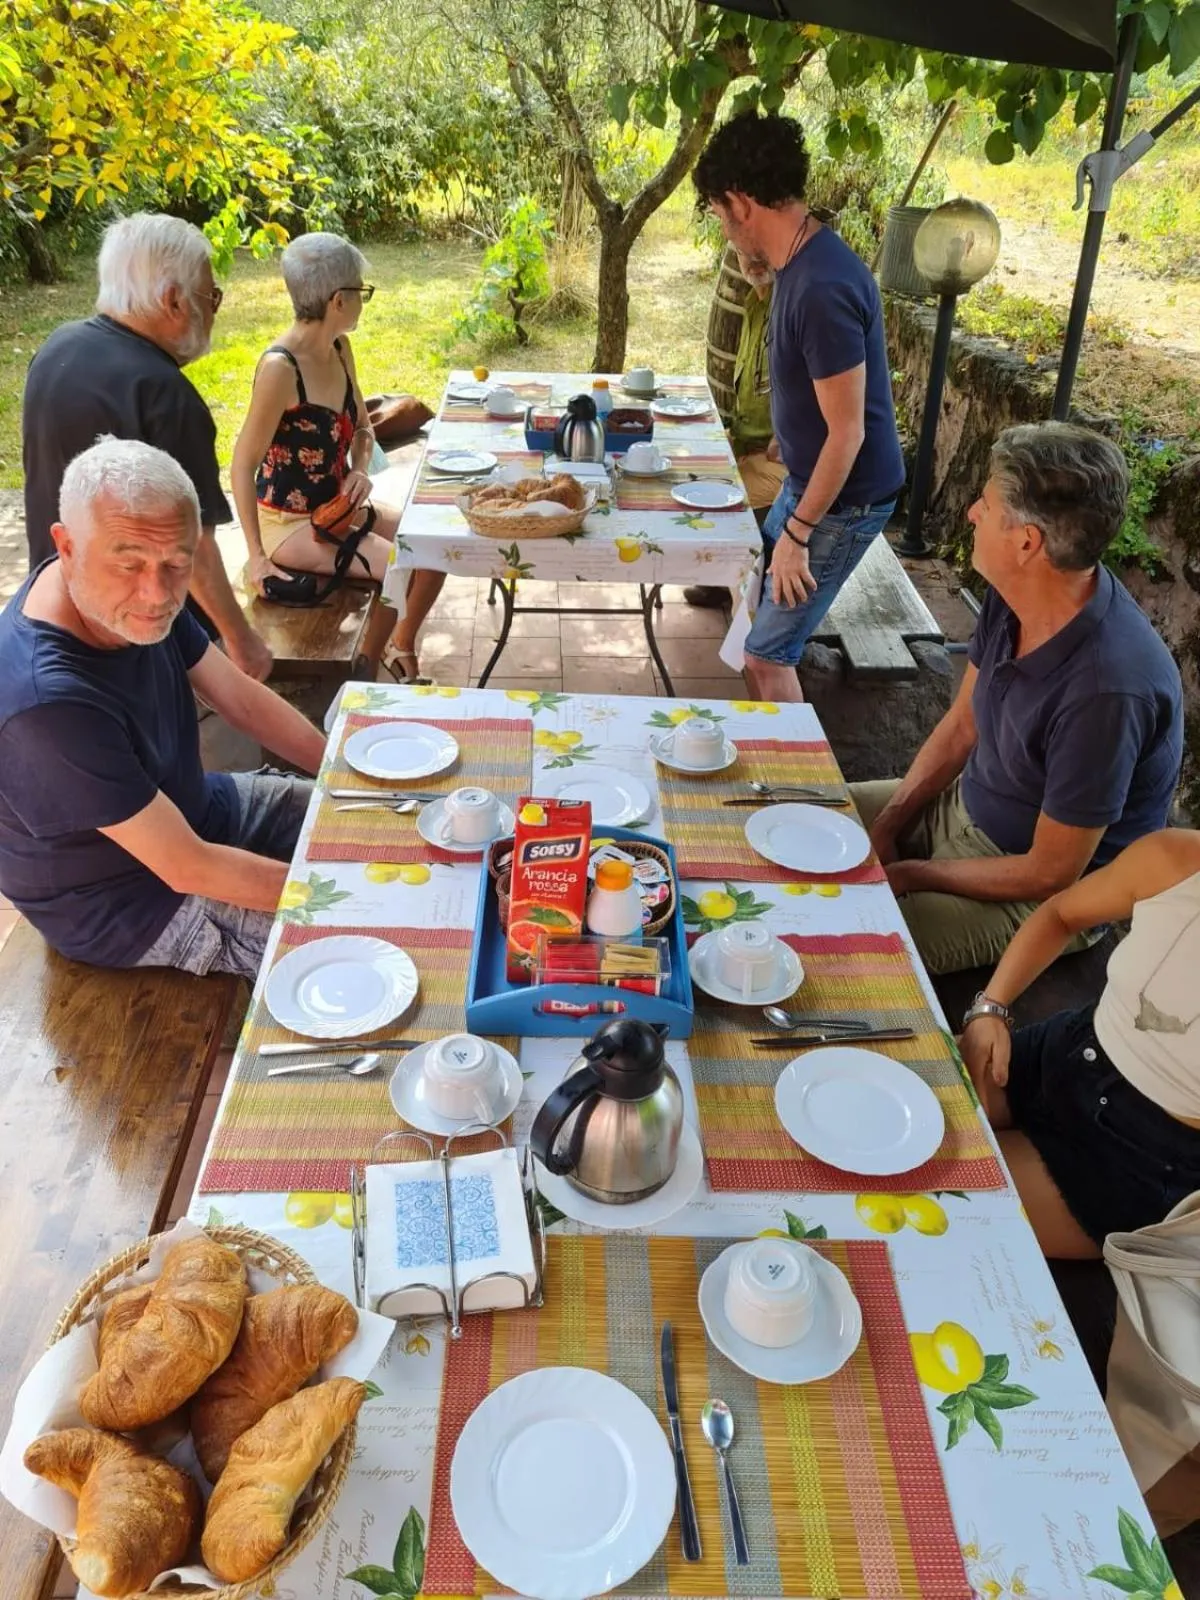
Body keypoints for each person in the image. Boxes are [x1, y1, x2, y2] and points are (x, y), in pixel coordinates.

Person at [852, 422, 1183, 977]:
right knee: (807, 817)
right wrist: (889, 824)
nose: (971, 514)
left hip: (1041, 895)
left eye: (984, 505)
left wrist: (909, 875)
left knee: (852, 947)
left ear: (1027, 542)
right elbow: (962, 728)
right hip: (964, 808)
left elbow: (1049, 873)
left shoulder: (1106, 690)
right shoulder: (1016, 594)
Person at [0, 438, 326, 978]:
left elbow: (241, 700)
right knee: (359, 938)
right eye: (128, 564)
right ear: (66, 545)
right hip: (132, 902)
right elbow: (188, 867)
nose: (156, 594)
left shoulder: (127, 596)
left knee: (366, 818)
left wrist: (343, 776)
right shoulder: (45, 704)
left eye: (177, 563)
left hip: (194, 809)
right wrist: (350, 897)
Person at [692, 111, 905, 701]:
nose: (723, 229)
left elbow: (848, 432)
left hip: (845, 502)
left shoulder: (820, 288)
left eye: (718, 214)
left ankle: (789, 761)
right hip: (812, 480)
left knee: (766, 655)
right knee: (750, 628)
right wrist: (791, 432)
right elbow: (823, 390)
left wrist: (798, 533)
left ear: (740, 202)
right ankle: (770, 745)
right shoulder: (800, 262)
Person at [22, 213, 272, 682]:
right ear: (173, 299)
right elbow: (195, 547)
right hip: (141, 629)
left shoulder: (57, 349)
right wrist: (241, 640)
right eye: (211, 297)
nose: (214, 311)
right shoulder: (166, 395)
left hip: (56, 605)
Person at [960, 828, 1200, 1259]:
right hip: (1064, 1055)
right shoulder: (1177, 859)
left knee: (933, 1195)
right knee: (878, 1114)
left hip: (1139, 1159)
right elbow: (1061, 914)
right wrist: (989, 1009)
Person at [231, 232, 444, 682]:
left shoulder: (340, 349)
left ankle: (398, 645)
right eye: (361, 291)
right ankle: (365, 675)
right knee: (398, 565)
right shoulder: (280, 369)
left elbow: (363, 427)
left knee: (431, 544)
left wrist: (360, 469)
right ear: (338, 300)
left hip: (337, 508)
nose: (364, 300)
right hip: (287, 525)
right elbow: (242, 465)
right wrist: (257, 556)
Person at [685, 248, 788, 609]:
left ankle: (739, 592)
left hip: (784, 462)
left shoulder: (789, 310)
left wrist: (782, 439)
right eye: (746, 253)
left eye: (763, 252)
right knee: (685, 470)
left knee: (714, 500)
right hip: (748, 445)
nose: (754, 260)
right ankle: (715, 578)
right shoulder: (754, 302)